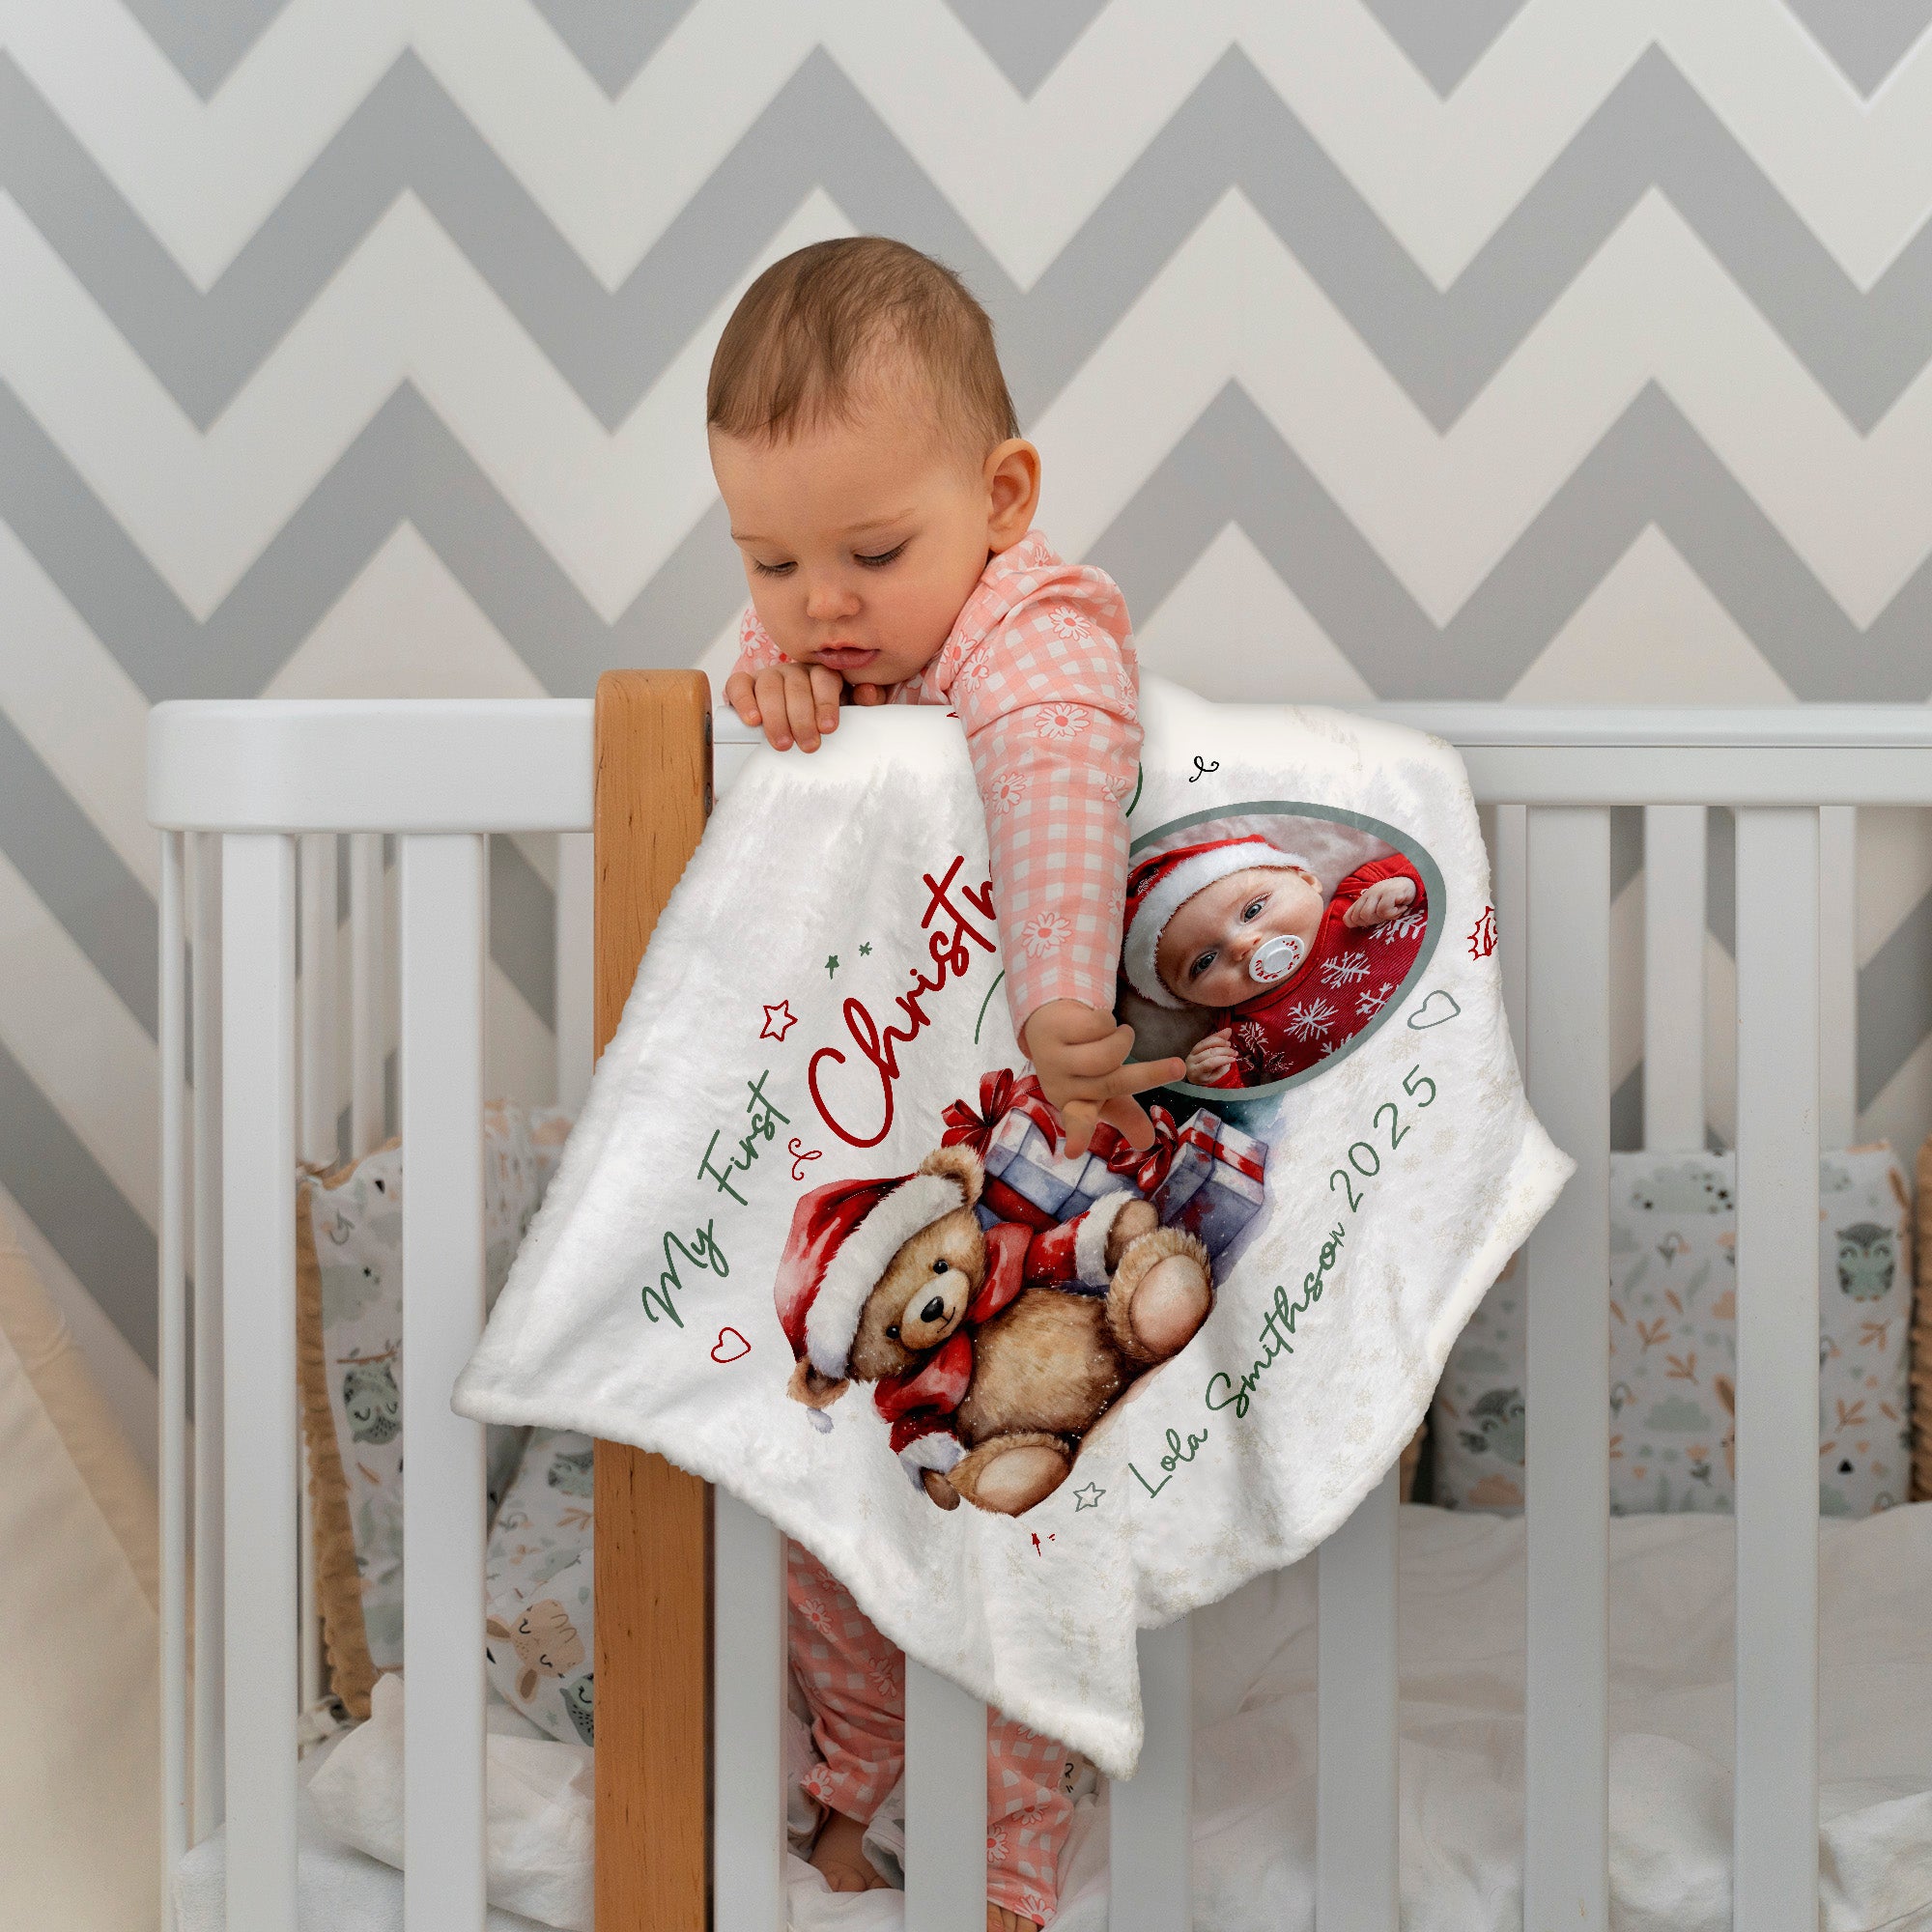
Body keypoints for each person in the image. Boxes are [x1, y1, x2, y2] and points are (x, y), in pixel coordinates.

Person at [709, 235, 1176, 1930]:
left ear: (1000, 499)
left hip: (1020, 1180)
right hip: (852, 1199)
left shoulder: (1031, 619)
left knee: (1000, 1529)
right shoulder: (825, 645)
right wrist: (758, 695)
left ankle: (1010, 1846)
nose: (820, 603)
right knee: (822, 1515)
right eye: (770, 560)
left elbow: (1055, 769)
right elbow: (733, 732)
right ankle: (861, 1775)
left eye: (871, 552)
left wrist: (1060, 998)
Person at [1119, 837, 1428, 1089]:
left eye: (1252, 911)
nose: (1242, 945)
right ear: (1188, 1001)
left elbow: (1436, 871)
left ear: (1307, 880)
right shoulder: (1239, 1038)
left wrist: (1405, 885)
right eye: (1205, 962)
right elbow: (1255, 1108)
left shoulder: (1360, 896)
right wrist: (1215, 1078)